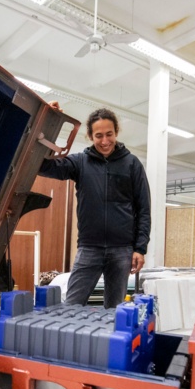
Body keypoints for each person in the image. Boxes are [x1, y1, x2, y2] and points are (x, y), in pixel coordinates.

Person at [39, 107, 151, 308]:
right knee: (72, 305)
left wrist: (140, 248)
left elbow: (143, 208)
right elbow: (44, 166)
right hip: (89, 248)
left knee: (115, 311)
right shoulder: (80, 162)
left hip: (122, 250)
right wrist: (48, 122)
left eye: (109, 134)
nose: (105, 141)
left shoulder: (132, 164)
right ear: (90, 136)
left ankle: (109, 340)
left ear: (116, 131)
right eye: (98, 136)